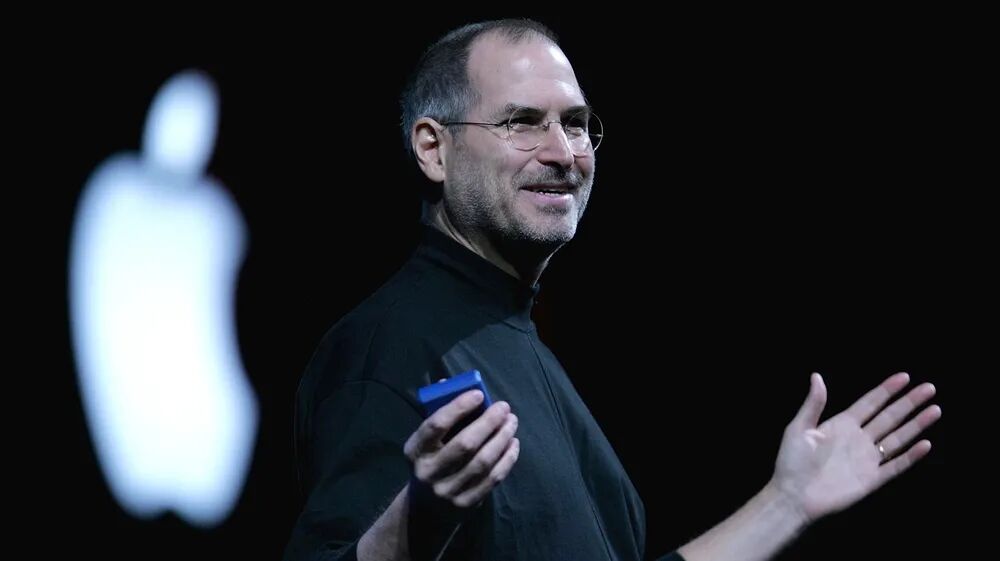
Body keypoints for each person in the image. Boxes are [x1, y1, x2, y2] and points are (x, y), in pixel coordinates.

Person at [283, 19, 941, 561]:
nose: (563, 152)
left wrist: (787, 500)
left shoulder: (521, 348)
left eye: (575, 123)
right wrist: (410, 527)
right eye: (522, 122)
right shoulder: (387, 349)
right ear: (434, 149)